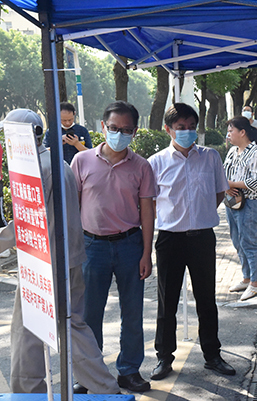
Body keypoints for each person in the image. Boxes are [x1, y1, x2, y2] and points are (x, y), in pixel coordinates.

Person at [3, 109, 119, 394]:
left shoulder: (35, 167)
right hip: (68, 258)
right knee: (72, 326)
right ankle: (105, 388)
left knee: (28, 331)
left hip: (43, 263)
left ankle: (28, 393)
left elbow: (24, 223)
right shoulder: (55, 161)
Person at [71, 101, 156, 393]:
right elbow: (73, 208)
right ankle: (90, 373)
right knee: (89, 314)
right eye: (114, 128)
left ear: (135, 131)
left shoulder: (141, 166)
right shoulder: (81, 161)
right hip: (91, 247)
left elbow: (147, 211)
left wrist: (146, 253)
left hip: (130, 245)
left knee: (132, 313)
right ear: (103, 127)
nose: (119, 134)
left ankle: (129, 370)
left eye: (126, 130)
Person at [148, 103, 235, 380]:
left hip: (202, 239)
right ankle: (164, 357)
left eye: (191, 127)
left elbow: (219, 192)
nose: (186, 132)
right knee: (167, 301)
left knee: (206, 299)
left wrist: (200, 214)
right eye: (180, 127)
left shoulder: (210, 157)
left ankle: (212, 355)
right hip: (170, 240)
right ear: (168, 129)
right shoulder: (156, 162)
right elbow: (150, 201)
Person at [224, 116, 257, 301]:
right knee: (237, 241)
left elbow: (256, 181)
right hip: (231, 201)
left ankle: (255, 283)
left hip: (249, 203)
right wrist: (226, 186)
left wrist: (232, 183)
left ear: (242, 132)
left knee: (250, 241)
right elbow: (223, 173)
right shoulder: (232, 151)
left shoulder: (255, 152)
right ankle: (246, 277)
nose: (228, 135)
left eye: (231, 131)